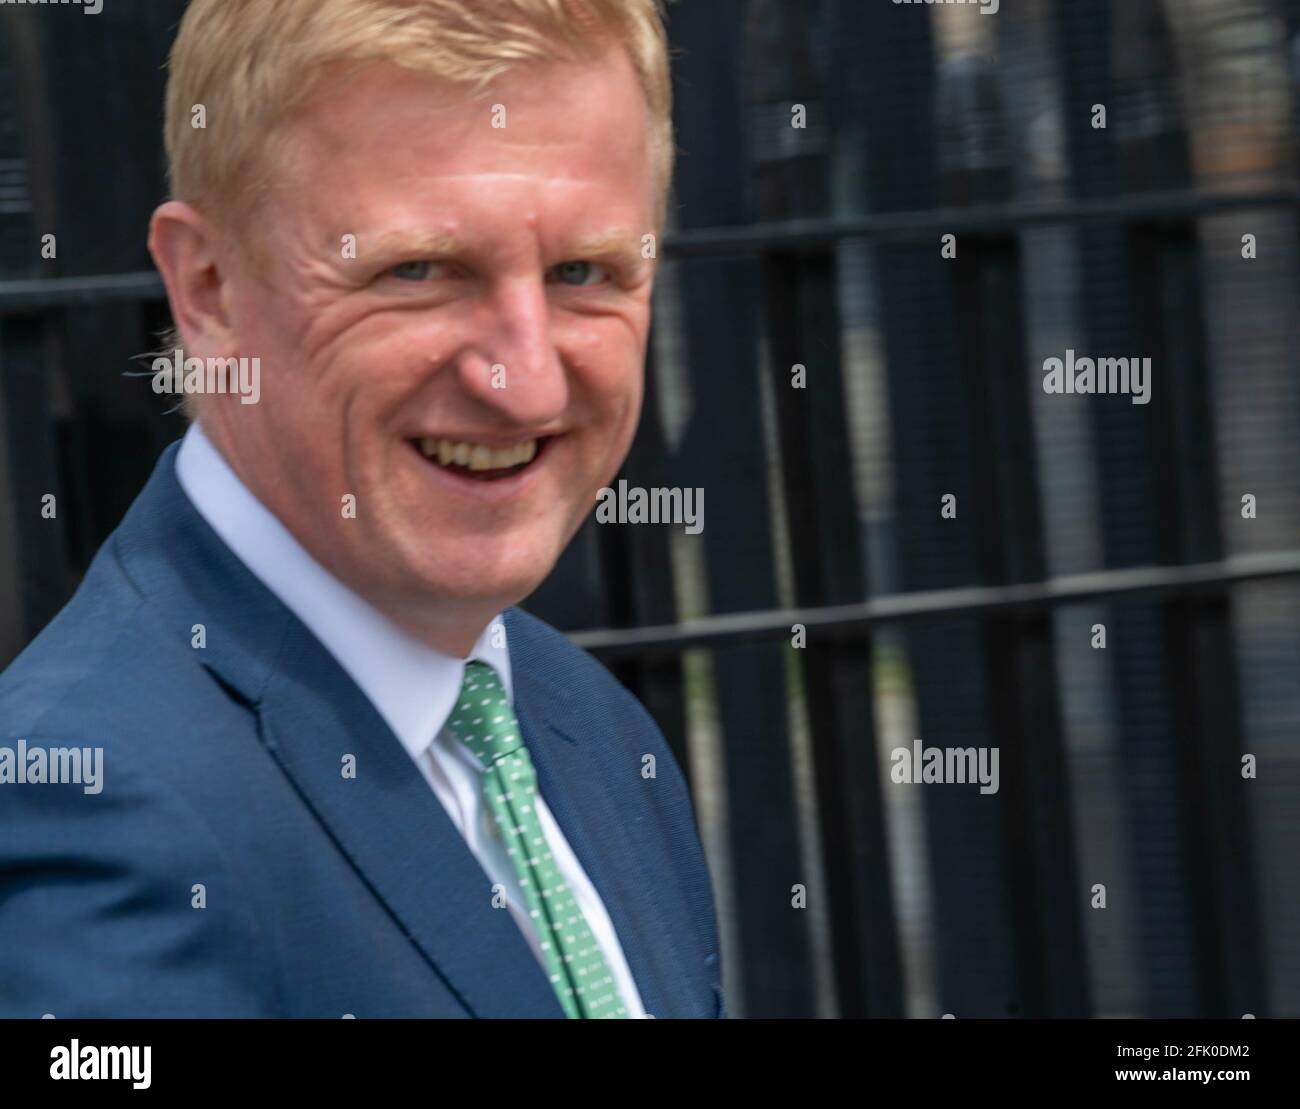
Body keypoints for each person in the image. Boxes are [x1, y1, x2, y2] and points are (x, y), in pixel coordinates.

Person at [0, 0, 724, 1019]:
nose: (525, 385)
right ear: (207, 289)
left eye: (582, 272)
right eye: (418, 270)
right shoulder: (91, 814)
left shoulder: (588, 724)